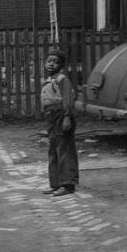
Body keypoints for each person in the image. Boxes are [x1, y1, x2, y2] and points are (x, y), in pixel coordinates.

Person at [39, 49, 78, 196]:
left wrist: (67, 117)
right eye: (49, 61)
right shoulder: (48, 81)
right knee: (53, 150)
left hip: (62, 116)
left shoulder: (63, 79)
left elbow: (67, 99)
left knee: (64, 150)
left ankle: (67, 184)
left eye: (55, 62)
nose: (51, 64)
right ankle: (55, 183)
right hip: (51, 117)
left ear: (61, 65)